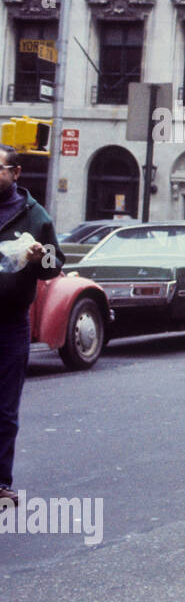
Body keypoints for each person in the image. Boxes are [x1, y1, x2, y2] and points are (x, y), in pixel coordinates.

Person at [0, 144, 65, 508]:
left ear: (15, 173)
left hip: (9, 323)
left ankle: (0, 482)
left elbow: (55, 266)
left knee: (4, 407)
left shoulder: (34, 215)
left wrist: (42, 257)